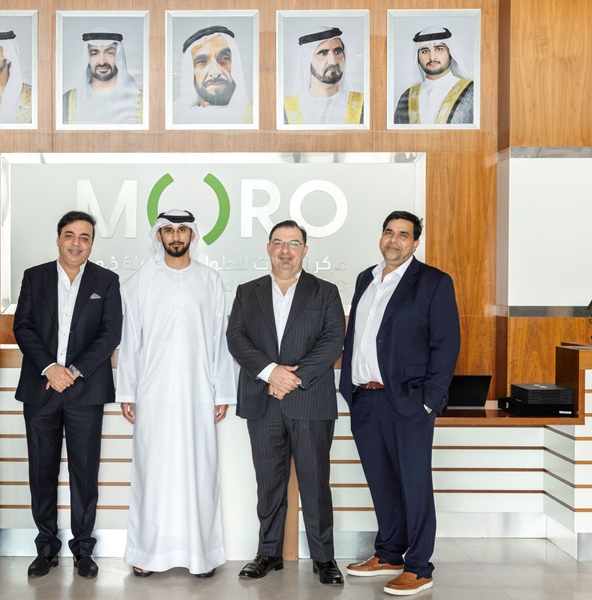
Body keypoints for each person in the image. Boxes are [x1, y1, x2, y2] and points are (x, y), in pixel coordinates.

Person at [340, 211, 460, 596]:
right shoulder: (366, 278)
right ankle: (389, 553)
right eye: (389, 232)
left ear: (415, 242)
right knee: (381, 482)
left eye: (403, 234)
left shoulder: (434, 282)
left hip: (408, 402)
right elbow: (360, 336)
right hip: (365, 398)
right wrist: (349, 388)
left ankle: (419, 567)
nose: (394, 240)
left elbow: (446, 345)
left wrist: (428, 401)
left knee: (414, 485)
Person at [116, 209, 236, 578]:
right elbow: (131, 341)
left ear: (192, 235)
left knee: (198, 471)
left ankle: (201, 555)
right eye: (168, 230)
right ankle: (147, 553)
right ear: (159, 236)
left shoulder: (211, 280)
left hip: (198, 391)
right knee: (153, 473)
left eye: (182, 229)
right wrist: (128, 390)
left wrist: (222, 392)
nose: (176, 236)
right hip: (153, 391)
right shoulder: (140, 281)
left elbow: (219, 341)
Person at [227, 221, 345, 585]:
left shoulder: (325, 291)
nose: (285, 250)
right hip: (263, 401)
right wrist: (270, 373)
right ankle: (269, 552)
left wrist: (292, 378)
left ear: (305, 250)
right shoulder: (247, 292)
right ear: (268, 248)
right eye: (278, 242)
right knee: (269, 485)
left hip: (310, 401)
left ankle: (324, 557)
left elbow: (333, 338)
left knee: (315, 483)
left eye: (294, 243)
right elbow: (236, 338)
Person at [13, 211, 122, 579]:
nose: (77, 243)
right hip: (41, 389)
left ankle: (83, 550)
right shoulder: (35, 277)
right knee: (41, 472)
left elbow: (110, 334)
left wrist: (72, 372)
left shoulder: (106, 281)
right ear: (58, 238)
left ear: (92, 243)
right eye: (70, 235)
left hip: (85, 391)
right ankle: (45, 548)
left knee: (84, 473)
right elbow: (23, 326)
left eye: (85, 237)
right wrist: (50, 368)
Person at [393, 26, 474, 125]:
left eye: (439, 49)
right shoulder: (407, 96)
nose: (432, 57)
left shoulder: (473, 92)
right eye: (425, 51)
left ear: (450, 53)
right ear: (417, 58)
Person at [172, 26, 253, 125]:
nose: (215, 73)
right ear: (190, 72)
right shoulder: (172, 114)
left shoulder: (254, 116)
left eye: (224, 59)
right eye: (202, 61)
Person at [283, 26, 364, 125]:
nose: (333, 61)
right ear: (307, 61)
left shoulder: (362, 105)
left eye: (338, 52)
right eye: (323, 53)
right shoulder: (286, 109)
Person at [62, 29, 143, 125]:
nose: (102, 62)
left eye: (110, 53)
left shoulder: (142, 100)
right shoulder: (68, 100)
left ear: (118, 57)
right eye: (94, 54)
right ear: (87, 58)